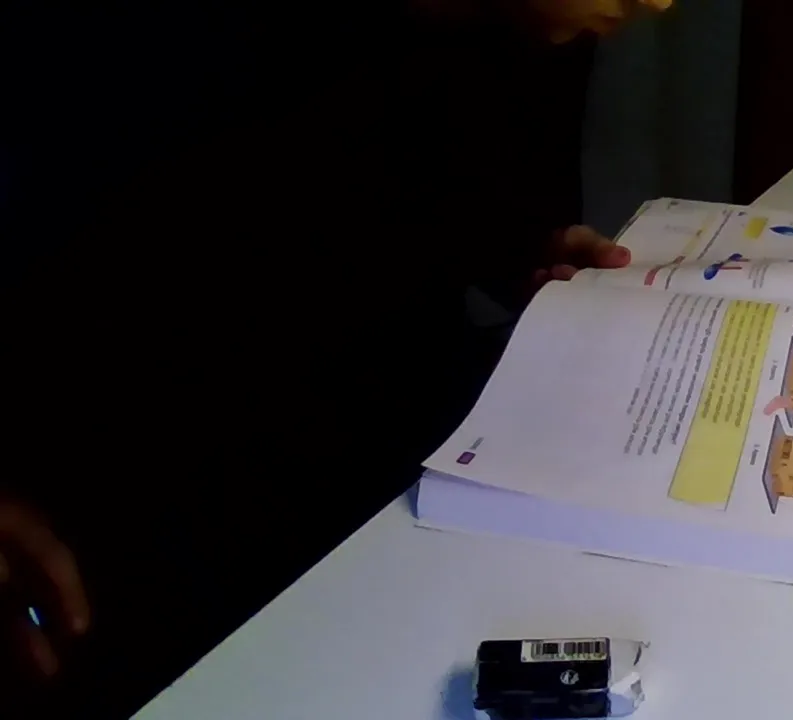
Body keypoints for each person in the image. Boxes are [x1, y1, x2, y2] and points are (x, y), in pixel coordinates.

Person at [0, 1, 671, 716]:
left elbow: (374, 189)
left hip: (381, 488)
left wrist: (522, 254)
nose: (659, 4)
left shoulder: (496, 38)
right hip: (124, 523)